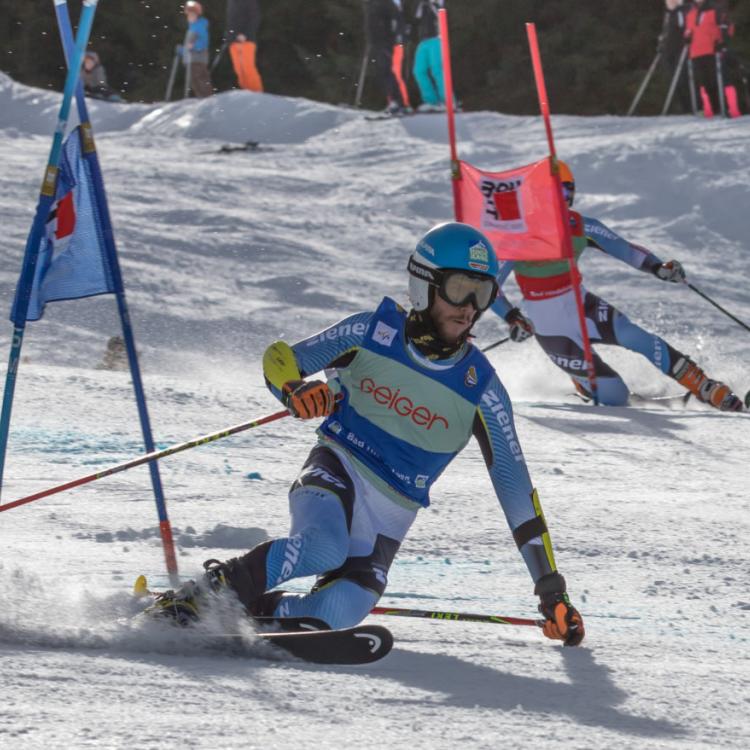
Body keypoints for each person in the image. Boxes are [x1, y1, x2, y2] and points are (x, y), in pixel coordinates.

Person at [152, 222, 585, 647]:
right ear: (424, 286)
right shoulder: (371, 333)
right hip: (337, 470)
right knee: (322, 548)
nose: (469, 306)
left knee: (342, 609)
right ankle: (197, 600)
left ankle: (245, 611)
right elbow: (280, 358)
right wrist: (295, 390)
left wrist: (551, 590)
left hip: (387, 521)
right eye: (459, 288)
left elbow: (516, 494)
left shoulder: (482, 390)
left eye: (482, 292)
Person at [490, 162, 744, 412]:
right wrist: (512, 317)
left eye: (565, 191)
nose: (559, 200)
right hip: (549, 326)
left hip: (581, 305)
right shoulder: (517, 236)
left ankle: (703, 386)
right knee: (615, 395)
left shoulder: (579, 226)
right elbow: (490, 285)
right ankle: (587, 386)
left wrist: (658, 267)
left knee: (637, 337)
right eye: (551, 193)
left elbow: (625, 249)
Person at [685, 0, 739, 117]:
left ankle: (731, 109)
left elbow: (728, 27)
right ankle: (711, 110)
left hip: (713, 50)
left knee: (722, 80)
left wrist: (723, 41)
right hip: (696, 52)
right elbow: (689, 30)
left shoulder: (716, 8)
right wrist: (687, 37)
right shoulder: (690, 12)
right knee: (704, 83)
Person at [365, 0, 408, 115]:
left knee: (388, 71)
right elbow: (372, 24)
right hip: (378, 42)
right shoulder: (372, 4)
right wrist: (371, 39)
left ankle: (398, 103)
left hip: (386, 42)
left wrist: (396, 39)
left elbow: (397, 20)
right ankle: (394, 102)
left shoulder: (386, 3)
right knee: (383, 73)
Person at [658, 0, 693, 113]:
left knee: (683, 78)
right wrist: (661, 43)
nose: (669, 2)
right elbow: (666, 31)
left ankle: (690, 106)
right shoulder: (668, 13)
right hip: (669, 50)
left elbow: (686, 27)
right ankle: (682, 107)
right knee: (673, 78)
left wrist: (687, 39)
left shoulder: (682, 10)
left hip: (681, 49)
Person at [412, 0, 446, 112]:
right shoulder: (421, 4)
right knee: (418, 71)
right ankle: (431, 101)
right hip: (423, 40)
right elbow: (416, 19)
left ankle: (447, 101)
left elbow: (440, 11)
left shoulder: (435, 3)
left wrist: (432, 3)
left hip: (436, 39)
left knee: (437, 69)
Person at [225, 0, 264, 92]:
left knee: (248, 68)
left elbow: (255, 18)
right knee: (239, 70)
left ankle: (257, 93)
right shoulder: (231, 2)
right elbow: (230, 22)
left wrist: (246, 34)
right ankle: (246, 94)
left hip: (246, 40)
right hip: (233, 41)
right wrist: (228, 36)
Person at [182, 1, 213, 98]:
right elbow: (188, 44)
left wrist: (195, 46)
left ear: (197, 15)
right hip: (192, 57)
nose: (189, 17)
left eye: (192, 15)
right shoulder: (193, 27)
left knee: (200, 78)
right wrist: (183, 50)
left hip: (198, 57)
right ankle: (202, 97)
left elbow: (204, 41)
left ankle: (207, 97)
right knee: (194, 80)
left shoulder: (199, 26)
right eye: (188, 15)